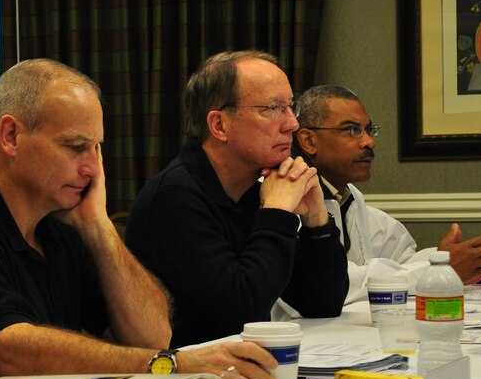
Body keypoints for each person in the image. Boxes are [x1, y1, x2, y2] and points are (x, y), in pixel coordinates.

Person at [0, 58, 285, 379]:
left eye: (97, 148)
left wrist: (98, 228)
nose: (93, 168)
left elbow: (153, 336)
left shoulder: (61, 226)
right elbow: (8, 351)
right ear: (11, 135)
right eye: (76, 147)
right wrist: (169, 365)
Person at [124, 50, 348, 347]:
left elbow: (322, 304)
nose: (292, 124)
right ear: (219, 125)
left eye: (289, 106)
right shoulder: (174, 198)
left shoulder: (252, 191)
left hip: (235, 372)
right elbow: (241, 311)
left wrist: (316, 221)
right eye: (272, 108)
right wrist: (278, 213)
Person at [292, 85, 481, 304]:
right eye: (353, 130)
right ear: (309, 141)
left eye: (369, 130)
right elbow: (335, 283)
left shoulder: (350, 198)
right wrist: (435, 270)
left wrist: (446, 259)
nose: (370, 142)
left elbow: (400, 259)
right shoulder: (288, 199)